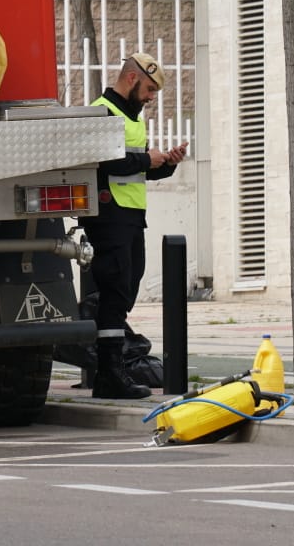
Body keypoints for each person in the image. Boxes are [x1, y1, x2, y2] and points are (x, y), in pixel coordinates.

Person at [83, 52, 187, 399]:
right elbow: (104, 162)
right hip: (109, 217)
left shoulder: (132, 118)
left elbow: (136, 168)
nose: (150, 96)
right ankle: (109, 375)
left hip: (130, 217)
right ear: (131, 79)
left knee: (125, 290)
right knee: (115, 292)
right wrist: (146, 158)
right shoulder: (102, 111)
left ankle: (111, 372)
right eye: (148, 88)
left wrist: (166, 163)